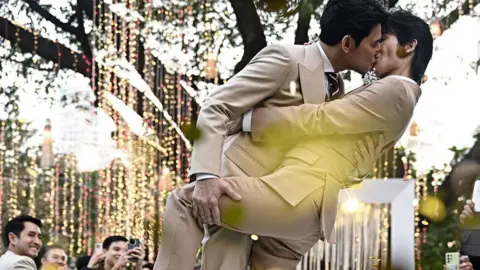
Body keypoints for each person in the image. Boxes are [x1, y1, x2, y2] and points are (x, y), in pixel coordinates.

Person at [155, 9, 433, 270]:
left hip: (297, 193)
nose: (375, 50)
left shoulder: (397, 90)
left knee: (187, 201)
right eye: (374, 41)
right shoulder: (376, 92)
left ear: (408, 46)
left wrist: (251, 119)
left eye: (382, 40)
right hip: (301, 205)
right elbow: (352, 148)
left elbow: (322, 118)